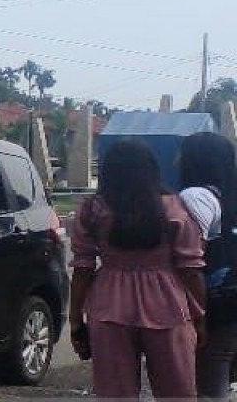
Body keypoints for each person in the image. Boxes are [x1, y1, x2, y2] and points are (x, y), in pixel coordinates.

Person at [68, 139, 207, 399]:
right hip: (168, 304)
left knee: (115, 393)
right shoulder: (174, 208)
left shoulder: (93, 209)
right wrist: (199, 316)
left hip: (109, 306)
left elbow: (83, 268)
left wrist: (76, 320)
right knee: (177, 391)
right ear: (152, 171)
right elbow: (190, 268)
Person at [179, 131, 237, 401]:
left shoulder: (195, 196)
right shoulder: (229, 195)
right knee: (220, 373)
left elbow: (189, 256)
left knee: (207, 383)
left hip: (209, 301)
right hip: (231, 298)